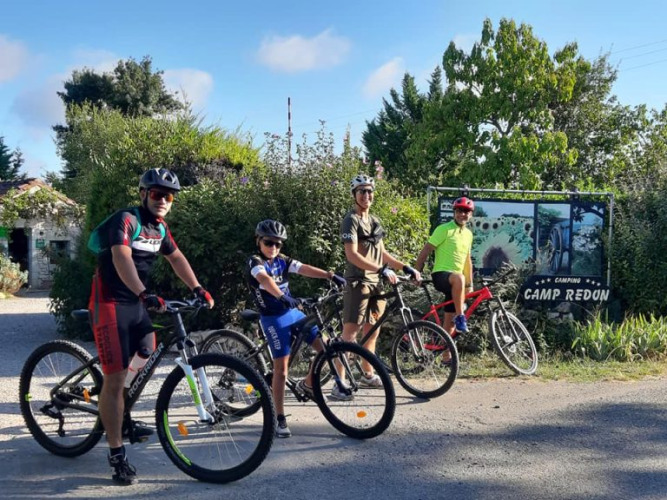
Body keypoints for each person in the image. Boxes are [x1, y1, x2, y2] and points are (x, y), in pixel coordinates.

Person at [88, 168, 214, 486]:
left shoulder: (160, 229)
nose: (163, 200)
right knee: (115, 379)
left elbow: (177, 258)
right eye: (157, 194)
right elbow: (121, 258)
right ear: (144, 194)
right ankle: (117, 455)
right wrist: (144, 293)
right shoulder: (126, 220)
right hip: (110, 303)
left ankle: (119, 407)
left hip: (136, 303)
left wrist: (198, 288)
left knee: (147, 351)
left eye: (169, 196)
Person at [246, 219, 346, 438]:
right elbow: (264, 279)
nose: (273, 247)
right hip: (273, 319)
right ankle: (278, 417)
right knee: (281, 370)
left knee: (327, 348)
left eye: (278, 243)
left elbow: (303, 268)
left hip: (292, 313)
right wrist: (282, 296)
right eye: (268, 242)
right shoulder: (255, 261)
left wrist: (330, 275)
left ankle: (308, 384)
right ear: (258, 241)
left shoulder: (282, 260)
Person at [340, 174, 421, 392]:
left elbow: (383, 253)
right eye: (361, 191)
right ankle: (339, 381)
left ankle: (367, 374)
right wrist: (380, 269)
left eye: (369, 191)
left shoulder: (374, 220)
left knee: (372, 331)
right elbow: (352, 254)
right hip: (359, 282)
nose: (366, 195)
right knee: (350, 333)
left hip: (377, 283)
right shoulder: (351, 220)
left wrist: (406, 267)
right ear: (354, 195)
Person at [415, 196, 474, 337]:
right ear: (454, 212)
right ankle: (461, 317)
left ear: (471, 214)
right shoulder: (444, 229)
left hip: (456, 284)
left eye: (466, 211)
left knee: (449, 323)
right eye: (459, 211)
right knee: (459, 278)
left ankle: (446, 350)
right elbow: (426, 250)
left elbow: (467, 260)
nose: (462, 214)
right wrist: (416, 272)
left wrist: (469, 284)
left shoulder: (468, 234)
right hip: (441, 275)